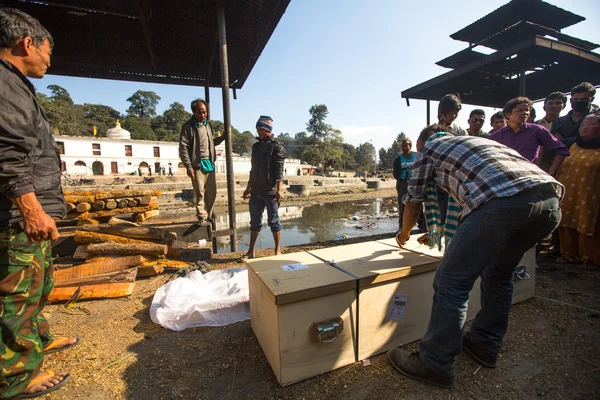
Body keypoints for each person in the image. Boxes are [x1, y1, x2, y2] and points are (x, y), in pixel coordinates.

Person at [390, 127, 563, 389]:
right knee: (499, 274)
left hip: (501, 203)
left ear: (423, 143)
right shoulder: (479, 143)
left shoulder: (430, 150)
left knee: (451, 282)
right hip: (548, 203)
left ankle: (434, 361)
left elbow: (414, 202)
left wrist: (404, 234)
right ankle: (485, 345)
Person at [0, 8, 79, 398]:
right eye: (48, 50)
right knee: (16, 294)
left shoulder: (16, 85)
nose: (50, 58)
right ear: (26, 43)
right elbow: (7, 153)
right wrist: (30, 207)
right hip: (16, 215)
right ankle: (15, 378)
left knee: (38, 285)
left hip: (27, 212)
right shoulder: (4, 82)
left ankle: (38, 340)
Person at [239, 116, 286, 261]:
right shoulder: (256, 147)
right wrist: (248, 188)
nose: (258, 132)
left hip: (270, 191)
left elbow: (279, 170)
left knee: (273, 221)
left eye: (260, 129)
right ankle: (251, 251)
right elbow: (253, 170)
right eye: (257, 129)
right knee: (255, 222)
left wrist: (279, 189)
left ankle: (277, 250)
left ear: (267, 130)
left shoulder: (277, 146)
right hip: (256, 191)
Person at [555, 113, 600, 265]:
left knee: (588, 223)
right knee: (566, 219)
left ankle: (591, 259)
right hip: (569, 192)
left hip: (591, 193)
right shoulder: (573, 144)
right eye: (582, 125)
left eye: (589, 125)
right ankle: (569, 254)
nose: (584, 128)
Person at [489, 97, 569, 177]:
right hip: (505, 177)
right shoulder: (496, 136)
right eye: (520, 110)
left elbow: (561, 150)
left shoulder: (537, 130)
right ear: (508, 114)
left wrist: (551, 172)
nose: (524, 113)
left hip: (529, 177)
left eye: (527, 110)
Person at [179, 99, 225, 224]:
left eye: (205, 112)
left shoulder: (208, 125)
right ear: (194, 112)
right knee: (199, 192)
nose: (203, 115)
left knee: (212, 191)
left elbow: (211, 142)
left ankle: (209, 214)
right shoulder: (188, 127)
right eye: (200, 113)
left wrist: (221, 138)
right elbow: (183, 147)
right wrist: (188, 166)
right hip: (197, 165)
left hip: (209, 163)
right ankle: (201, 215)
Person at [552, 82, 598, 148]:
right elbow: (553, 142)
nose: (579, 101)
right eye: (576, 99)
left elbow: (594, 140)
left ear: (592, 99)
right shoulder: (559, 122)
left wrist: (563, 141)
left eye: (584, 99)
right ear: (571, 100)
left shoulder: (597, 117)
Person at [392, 140, 423, 232]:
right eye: (402, 146)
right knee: (403, 205)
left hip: (416, 183)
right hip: (403, 184)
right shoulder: (398, 159)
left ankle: (422, 226)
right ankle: (402, 227)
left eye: (405, 146)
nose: (403, 148)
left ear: (410, 146)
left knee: (418, 204)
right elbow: (395, 174)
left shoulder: (417, 156)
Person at [536, 92, 567, 173]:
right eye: (550, 103)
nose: (553, 106)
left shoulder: (566, 126)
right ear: (544, 107)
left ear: (564, 106)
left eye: (558, 103)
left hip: (555, 168)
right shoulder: (535, 124)